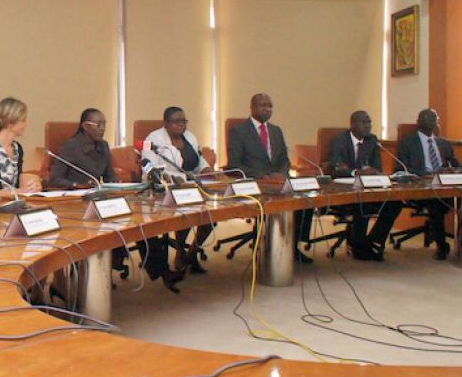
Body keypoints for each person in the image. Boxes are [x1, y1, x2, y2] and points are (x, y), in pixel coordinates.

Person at [227, 93, 312, 263]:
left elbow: (284, 159)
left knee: (306, 199)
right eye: (263, 105)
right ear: (252, 108)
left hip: (278, 181)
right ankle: (268, 245)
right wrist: (263, 175)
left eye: (270, 106)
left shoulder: (276, 130)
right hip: (256, 182)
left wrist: (282, 173)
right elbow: (234, 164)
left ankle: (293, 246)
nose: (267, 109)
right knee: (276, 202)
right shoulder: (239, 131)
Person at [142, 106, 213, 276]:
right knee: (185, 213)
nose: (182, 125)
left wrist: (206, 170)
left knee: (210, 216)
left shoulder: (190, 137)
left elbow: (199, 159)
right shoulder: (152, 139)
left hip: (192, 186)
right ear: (166, 123)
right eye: (177, 121)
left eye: (184, 121)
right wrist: (178, 178)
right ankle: (180, 251)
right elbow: (150, 168)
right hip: (163, 190)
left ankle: (192, 252)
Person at [327, 110, 402, 261]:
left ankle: (373, 241)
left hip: (368, 187)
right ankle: (358, 247)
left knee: (395, 203)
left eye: (370, 122)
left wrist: (374, 172)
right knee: (363, 204)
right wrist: (357, 172)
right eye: (364, 122)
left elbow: (377, 167)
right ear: (353, 124)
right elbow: (335, 168)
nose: (368, 126)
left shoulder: (372, 140)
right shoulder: (339, 140)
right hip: (344, 189)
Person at [396, 108, 458, 260]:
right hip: (421, 187)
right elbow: (402, 169)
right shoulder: (407, 142)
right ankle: (441, 246)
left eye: (434, 118)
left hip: (445, 185)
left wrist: (453, 170)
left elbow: (456, 165)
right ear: (418, 121)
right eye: (428, 118)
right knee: (436, 202)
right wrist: (426, 175)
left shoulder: (443, 143)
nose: (432, 121)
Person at [46, 108, 118, 189]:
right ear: (85, 126)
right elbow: (54, 180)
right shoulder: (71, 147)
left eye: (104, 124)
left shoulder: (104, 146)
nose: (102, 128)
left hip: (96, 192)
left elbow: (110, 176)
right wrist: (76, 185)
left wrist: (115, 184)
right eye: (98, 125)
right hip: (74, 193)